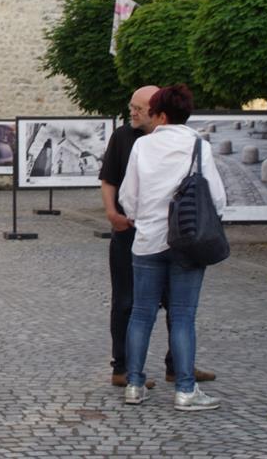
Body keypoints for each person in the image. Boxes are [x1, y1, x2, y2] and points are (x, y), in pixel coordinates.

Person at [99, 85, 216, 391]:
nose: (133, 113)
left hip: (146, 237)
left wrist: (140, 217)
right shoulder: (194, 145)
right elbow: (216, 196)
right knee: (173, 312)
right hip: (171, 238)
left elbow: (129, 193)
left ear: (158, 113)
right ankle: (171, 384)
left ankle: (149, 379)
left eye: (139, 108)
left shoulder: (145, 146)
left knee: (145, 312)